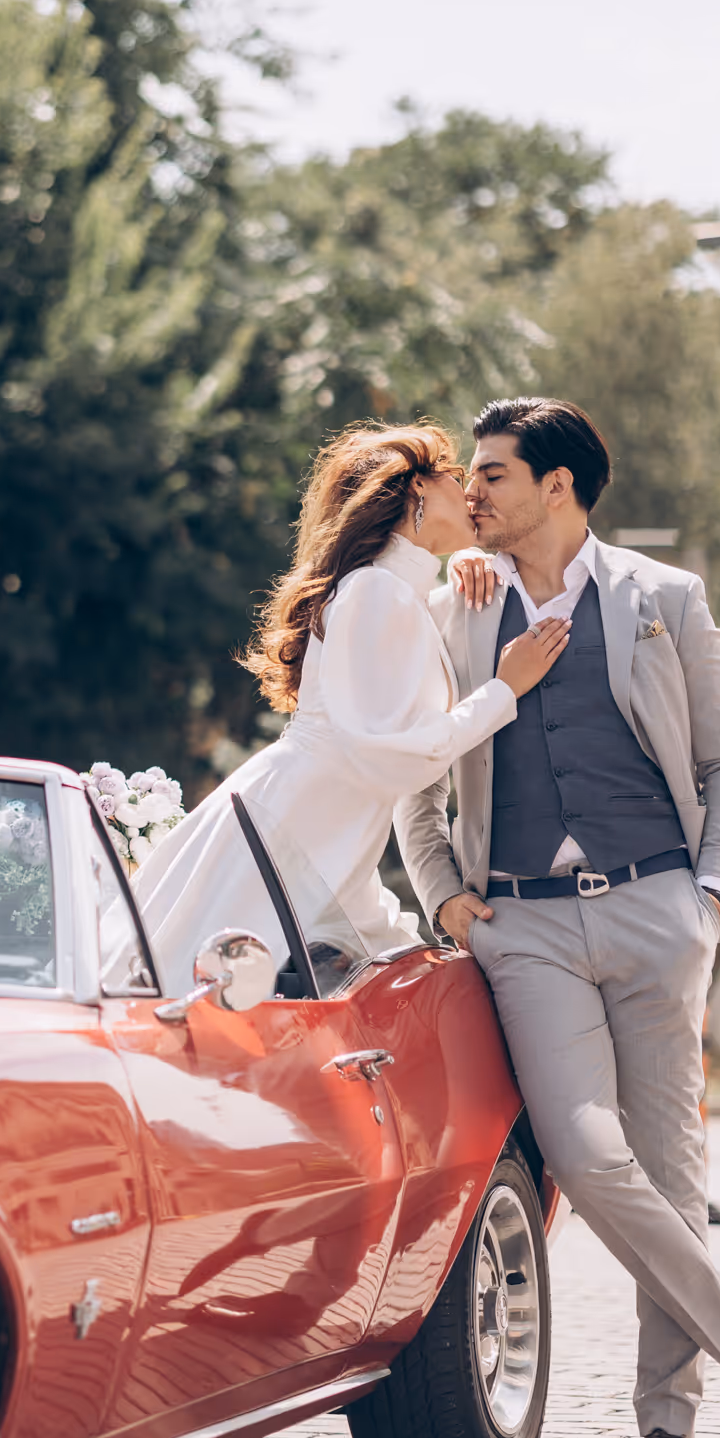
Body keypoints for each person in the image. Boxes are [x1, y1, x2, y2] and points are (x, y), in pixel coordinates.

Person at [395, 396, 720, 1438]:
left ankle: (668, 1437)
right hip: (523, 925)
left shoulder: (663, 599)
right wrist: (443, 896)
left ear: (559, 488)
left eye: (492, 474)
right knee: (585, 1162)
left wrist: (715, 889)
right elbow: (415, 777)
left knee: (671, 1177)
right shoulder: (459, 609)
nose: (471, 492)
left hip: (655, 909)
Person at [133, 423, 570, 1003]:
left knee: (186, 1000)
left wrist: (467, 563)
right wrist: (503, 691)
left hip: (314, 840)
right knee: (176, 1002)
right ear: (415, 491)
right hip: (282, 835)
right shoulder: (375, 590)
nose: (469, 492)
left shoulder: (392, 589)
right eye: (455, 476)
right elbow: (391, 754)